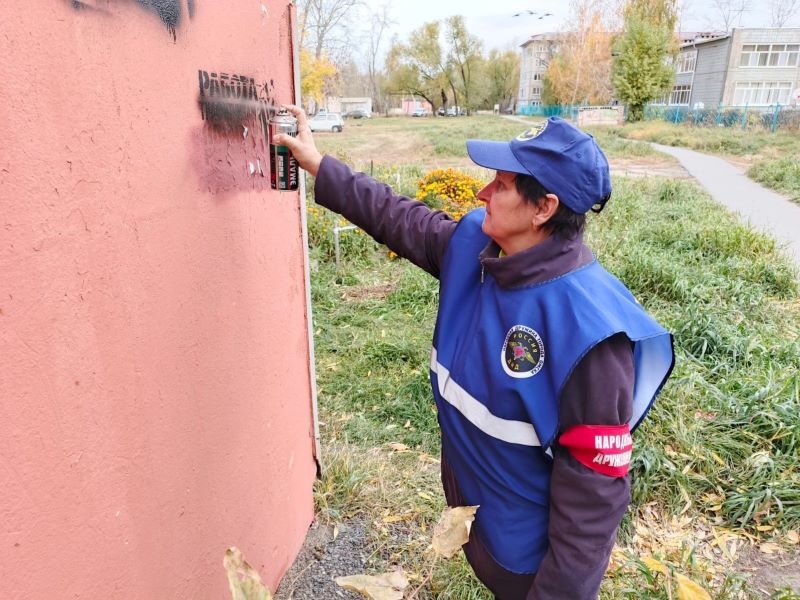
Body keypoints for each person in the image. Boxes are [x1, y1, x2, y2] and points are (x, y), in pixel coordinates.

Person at [275, 107, 675, 600]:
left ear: (543, 208)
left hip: (526, 563)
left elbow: (592, 502)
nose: (483, 192)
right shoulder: (477, 247)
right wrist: (317, 163)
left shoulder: (589, 333)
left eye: (502, 184)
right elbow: (396, 215)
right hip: (480, 526)